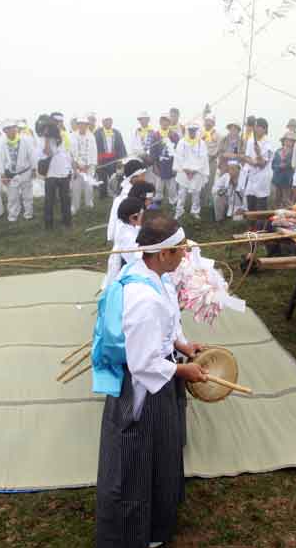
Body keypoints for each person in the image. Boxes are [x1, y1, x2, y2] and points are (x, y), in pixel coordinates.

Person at [94, 213, 208, 548]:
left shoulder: (152, 275)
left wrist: (181, 344)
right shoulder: (143, 298)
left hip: (159, 378)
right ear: (163, 254)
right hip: (143, 389)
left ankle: (158, 522)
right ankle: (133, 534)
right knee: (136, 462)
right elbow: (143, 362)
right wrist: (182, 370)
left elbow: (164, 327)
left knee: (162, 453)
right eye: (181, 250)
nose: (185, 255)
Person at [238, 117, 274, 228]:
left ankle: (259, 230)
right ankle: (251, 228)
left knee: (261, 205)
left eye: (259, 127)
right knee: (250, 203)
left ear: (264, 129)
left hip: (262, 178)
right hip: (251, 176)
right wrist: (253, 162)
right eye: (255, 126)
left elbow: (263, 164)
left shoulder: (268, 144)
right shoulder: (250, 141)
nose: (256, 129)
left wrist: (258, 154)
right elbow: (246, 157)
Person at [40, 112, 74, 229]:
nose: (59, 124)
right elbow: (47, 152)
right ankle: (48, 225)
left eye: (61, 122)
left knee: (65, 199)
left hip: (64, 172)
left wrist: (71, 168)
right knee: (49, 201)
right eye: (56, 122)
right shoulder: (45, 136)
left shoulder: (65, 135)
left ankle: (67, 223)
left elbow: (69, 153)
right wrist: (46, 138)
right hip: (50, 173)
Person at [103, 195, 145, 289]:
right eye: (142, 214)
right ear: (133, 218)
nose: (144, 216)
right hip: (126, 279)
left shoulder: (127, 227)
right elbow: (137, 261)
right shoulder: (128, 238)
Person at [1, 119, 37, 222]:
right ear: (4, 131)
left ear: (16, 129)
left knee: (27, 195)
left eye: (12, 128)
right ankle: (12, 216)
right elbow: (0, 159)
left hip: (25, 172)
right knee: (12, 197)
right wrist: (2, 175)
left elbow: (32, 155)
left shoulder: (26, 139)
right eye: (7, 129)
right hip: (11, 174)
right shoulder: (2, 143)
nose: (10, 130)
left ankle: (28, 214)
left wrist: (34, 169)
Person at [174, 121, 209, 220]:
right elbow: (178, 157)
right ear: (187, 131)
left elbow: (203, 159)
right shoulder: (182, 142)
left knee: (196, 193)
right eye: (190, 130)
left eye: (194, 130)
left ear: (196, 131)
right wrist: (186, 170)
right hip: (184, 172)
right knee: (182, 194)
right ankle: (179, 212)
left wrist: (194, 171)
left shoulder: (201, 143)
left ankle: (195, 211)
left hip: (196, 172)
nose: (192, 132)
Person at [107, 159, 148, 241]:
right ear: (134, 178)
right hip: (128, 237)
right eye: (142, 176)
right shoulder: (127, 197)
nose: (144, 178)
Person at [149, 114, 180, 207]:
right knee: (158, 185)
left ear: (169, 123)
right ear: (160, 122)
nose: (164, 123)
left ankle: (173, 201)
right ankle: (158, 200)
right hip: (159, 164)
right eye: (163, 121)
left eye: (166, 121)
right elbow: (152, 152)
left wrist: (176, 166)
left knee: (172, 186)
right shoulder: (155, 135)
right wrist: (154, 165)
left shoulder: (174, 135)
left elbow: (178, 152)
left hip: (171, 163)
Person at [70, 115, 98, 214]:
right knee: (75, 187)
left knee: (89, 186)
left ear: (87, 125)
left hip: (88, 167)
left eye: (84, 124)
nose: (82, 126)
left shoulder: (91, 136)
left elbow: (94, 152)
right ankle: (75, 206)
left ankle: (89, 204)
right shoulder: (72, 136)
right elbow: (72, 152)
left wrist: (88, 165)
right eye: (80, 124)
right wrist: (77, 165)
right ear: (78, 125)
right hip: (76, 167)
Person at [94, 116, 128, 199]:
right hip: (101, 159)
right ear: (102, 122)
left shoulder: (117, 132)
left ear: (112, 122)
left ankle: (116, 193)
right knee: (102, 178)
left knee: (114, 177)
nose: (108, 122)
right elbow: (94, 147)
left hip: (114, 159)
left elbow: (121, 146)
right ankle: (102, 195)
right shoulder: (97, 132)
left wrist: (122, 159)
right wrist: (95, 160)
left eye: (109, 121)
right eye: (106, 121)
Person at [216, 121, 244, 219]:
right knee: (223, 189)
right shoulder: (224, 140)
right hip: (224, 168)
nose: (233, 131)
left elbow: (243, 155)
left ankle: (234, 212)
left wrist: (234, 155)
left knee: (236, 189)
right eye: (231, 128)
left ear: (238, 130)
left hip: (237, 169)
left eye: (235, 129)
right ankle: (221, 214)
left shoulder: (242, 141)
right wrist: (226, 155)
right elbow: (219, 153)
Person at [271, 131, 296, 208]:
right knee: (276, 200)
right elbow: (273, 164)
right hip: (277, 179)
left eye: (291, 140)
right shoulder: (278, 151)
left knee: (287, 201)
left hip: (288, 180)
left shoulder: (295, 152)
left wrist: (286, 165)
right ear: (283, 141)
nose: (288, 142)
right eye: (287, 140)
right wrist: (278, 166)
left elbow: (294, 164)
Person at [202, 113, 219, 202]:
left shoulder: (217, 134)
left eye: (211, 121)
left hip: (212, 161)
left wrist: (213, 157)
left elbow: (220, 148)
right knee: (200, 181)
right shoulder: (200, 132)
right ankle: (199, 201)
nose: (208, 123)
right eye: (207, 121)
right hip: (200, 161)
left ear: (214, 123)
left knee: (210, 181)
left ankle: (207, 200)